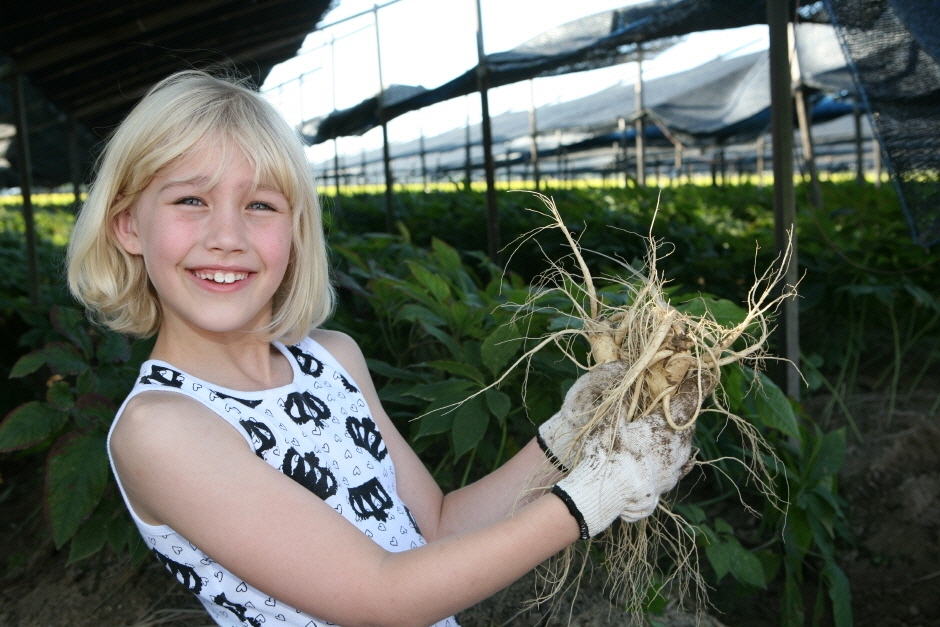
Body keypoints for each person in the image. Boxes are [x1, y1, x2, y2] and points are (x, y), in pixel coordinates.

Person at [66, 71, 697, 627]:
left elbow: (438, 529)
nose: (226, 236)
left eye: (260, 204)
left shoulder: (332, 360)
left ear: (295, 230)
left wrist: (567, 440)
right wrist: (595, 494)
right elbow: (383, 596)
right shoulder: (163, 429)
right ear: (127, 226)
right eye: (190, 200)